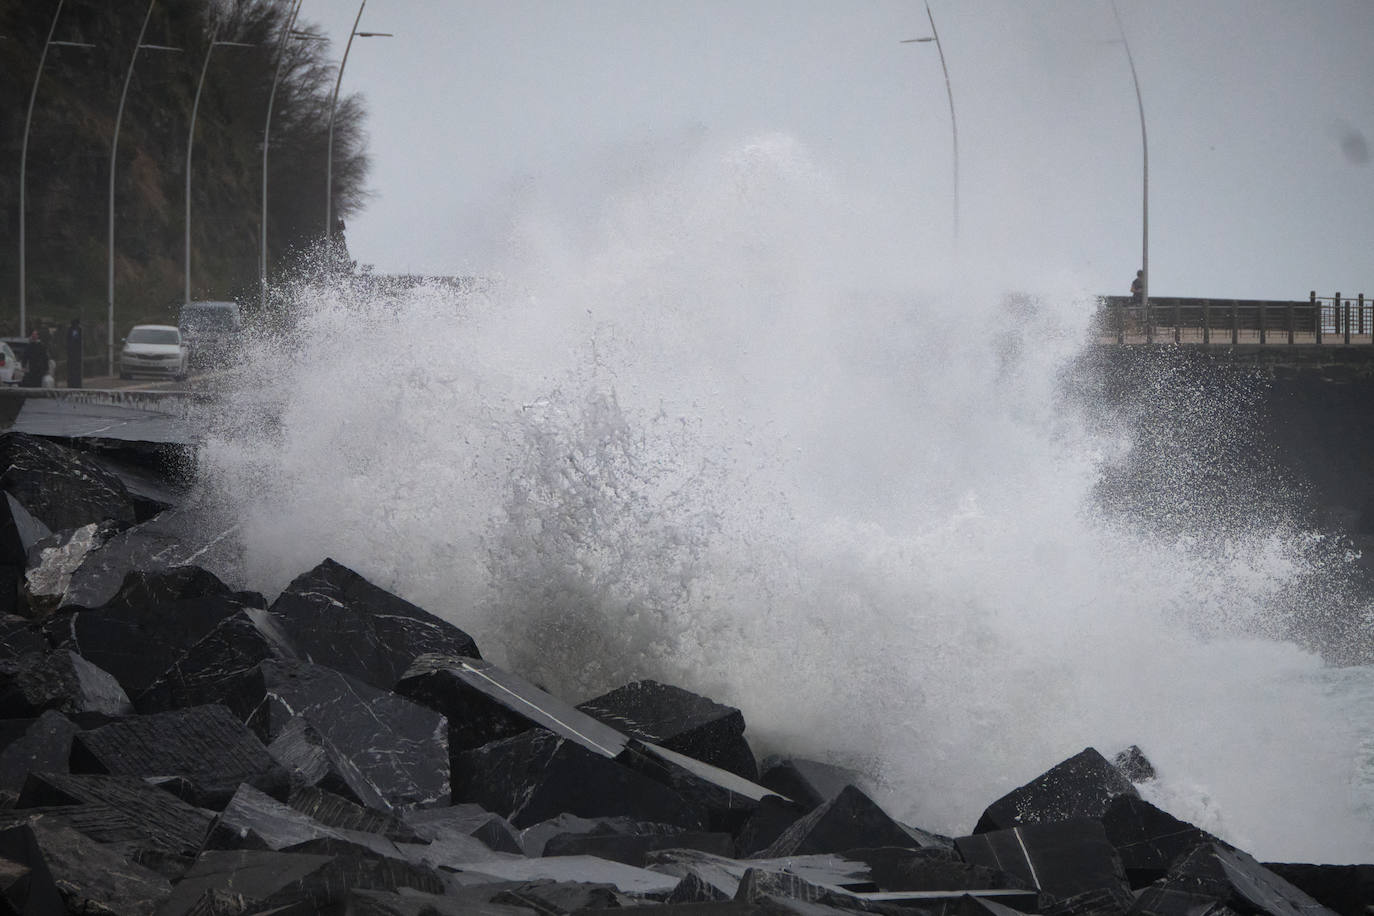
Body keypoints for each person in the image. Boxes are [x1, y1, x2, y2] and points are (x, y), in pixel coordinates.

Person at [66, 317, 83, 389]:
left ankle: (73, 384)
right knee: (75, 370)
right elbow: (75, 341)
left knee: (72, 370)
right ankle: (75, 384)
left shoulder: (71, 329)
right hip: (75, 354)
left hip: (72, 354)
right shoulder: (75, 330)